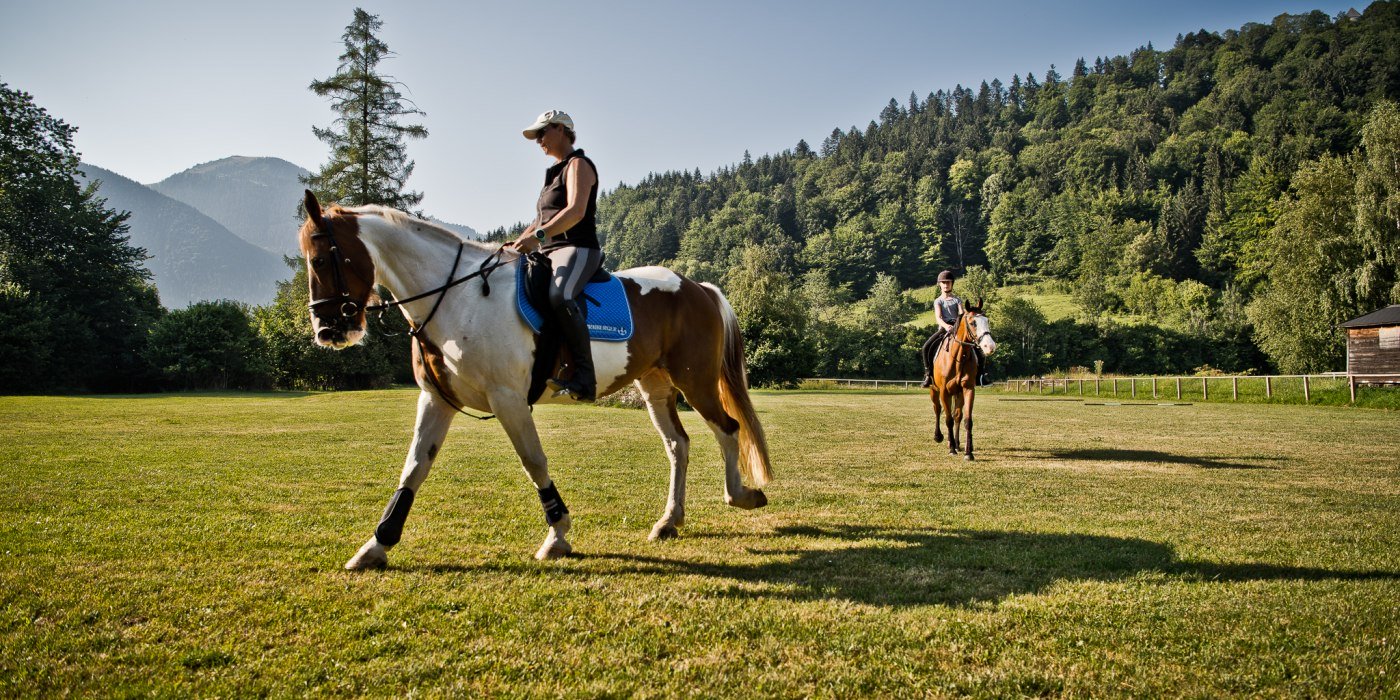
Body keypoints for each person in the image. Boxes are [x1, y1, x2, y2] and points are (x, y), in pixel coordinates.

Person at [512, 109, 601, 401]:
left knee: (560, 296)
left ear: (561, 129)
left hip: (577, 249)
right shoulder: (552, 176)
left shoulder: (579, 165)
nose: (538, 140)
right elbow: (540, 220)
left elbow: (575, 212)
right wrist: (515, 243)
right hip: (550, 252)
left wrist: (537, 237)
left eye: (542, 132)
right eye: (536, 135)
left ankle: (585, 379)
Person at [920, 270, 964, 388]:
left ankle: (982, 374)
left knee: (977, 347)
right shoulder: (938, 301)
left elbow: (961, 315)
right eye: (943, 282)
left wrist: (956, 326)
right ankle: (928, 374)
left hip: (957, 329)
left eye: (948, 282)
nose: (946, 284)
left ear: (952, 284)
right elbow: (938, 318)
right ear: (939, 284)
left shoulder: (957, 300)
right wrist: (946, 326)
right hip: (943, 329)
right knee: (925, 348)